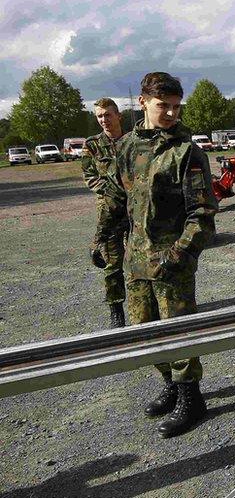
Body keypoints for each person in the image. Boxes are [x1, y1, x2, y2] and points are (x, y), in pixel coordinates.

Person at [100, 72, 218, 438]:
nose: (170, 113)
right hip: (136, 260)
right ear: (143, 103)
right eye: (162, 105)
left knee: (178, 332)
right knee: (144, 331)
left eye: (175, 106)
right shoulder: (126, 149)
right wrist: (102, 239)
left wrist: (178, 256)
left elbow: (203, 215)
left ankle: (191, 398)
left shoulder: (187, 152)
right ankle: (169, 383)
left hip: (171, 262)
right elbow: (116, 200)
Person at [82, 97, 128, 328]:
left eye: (107, 115)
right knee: (112, 265)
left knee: (143, 259)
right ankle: (116, 311)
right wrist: (111, 191)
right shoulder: (92, 145)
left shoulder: (134, 141)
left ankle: (149, 306)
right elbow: (89, 176)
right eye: (99, 116)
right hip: (109, 212)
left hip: (136, 210)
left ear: (118, 115)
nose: (103, 120)